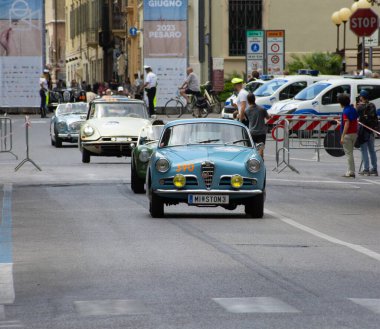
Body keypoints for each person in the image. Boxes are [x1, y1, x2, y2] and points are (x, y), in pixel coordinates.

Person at [356, 90, 378, 176]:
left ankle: (366, 169)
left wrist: (357, 105)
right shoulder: (372, 105)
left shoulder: (360, 107)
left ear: (361, 97)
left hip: (363, 131)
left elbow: (357, 114)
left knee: (364, 150)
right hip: (371, 130)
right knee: (372, 150)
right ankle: (374, 169)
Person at [339, 93, 358, 178]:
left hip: (347, 134)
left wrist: (342, 136)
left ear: (341, 103)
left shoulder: (345, 111)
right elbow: (353, 120)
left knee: (348, 154)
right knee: (350, 153)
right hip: (354, 133)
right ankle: (351, 170)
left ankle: (351, 172)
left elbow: (347, 123)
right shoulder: (353, 109)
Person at [245, 93, 269, 158]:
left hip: (252, 132)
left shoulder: (246, 110)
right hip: (261, 132)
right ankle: (261, 162)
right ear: (255, 99)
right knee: (261, 150)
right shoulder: (262, 109)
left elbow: (247, 120)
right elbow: (267, 117)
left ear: (248, 100)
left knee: (251, 150)